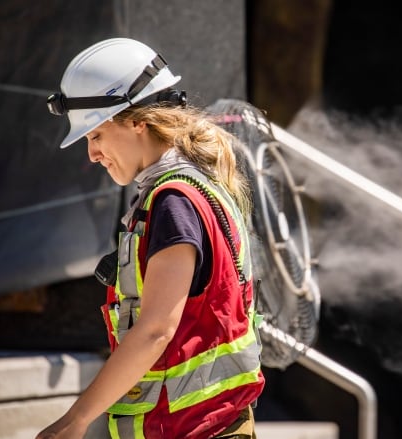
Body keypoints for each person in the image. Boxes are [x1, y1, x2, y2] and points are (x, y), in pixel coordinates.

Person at [36, 37, 265, 439]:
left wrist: (74, 420)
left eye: (96, 136)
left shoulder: (173, 202)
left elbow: (156, 329)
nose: (92, 154)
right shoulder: (198, 185)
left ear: (137, 121)